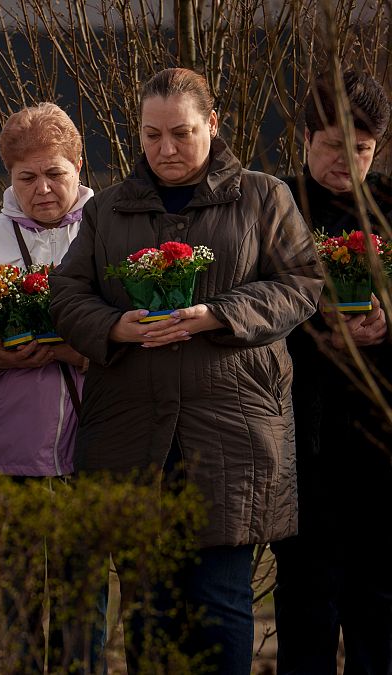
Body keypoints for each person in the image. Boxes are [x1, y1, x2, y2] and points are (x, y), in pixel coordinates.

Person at [50, 67, 323, 674]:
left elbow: (302, 284)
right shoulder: (110, 209)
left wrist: (216, 316)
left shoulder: (262, 196)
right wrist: (115, 327)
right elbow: (66, 294)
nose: (165, 149)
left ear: (213, 125)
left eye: (182, 132)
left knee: (221, 602)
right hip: (129, 430)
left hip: (230, 431)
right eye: (151, 135)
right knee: (148, 606)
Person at [0, 102, 101, 672]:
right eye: (26, 177)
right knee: (10, 612)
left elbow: (136, 335)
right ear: (8, 177)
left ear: (80, 165)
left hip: (88, 452)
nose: (42, 189)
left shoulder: (105, 233)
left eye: (55, 173)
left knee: (81, 615)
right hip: (2, 459)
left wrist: (83, 351)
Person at [272, 70, 392, 675]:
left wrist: (388, 321)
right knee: (306, 595)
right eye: (332, 146)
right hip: (300, 433)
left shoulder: (390, 208)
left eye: (363, 151)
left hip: (379, 435)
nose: (346, 161)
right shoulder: (277, 206)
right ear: (306, 139)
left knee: (379, 595)